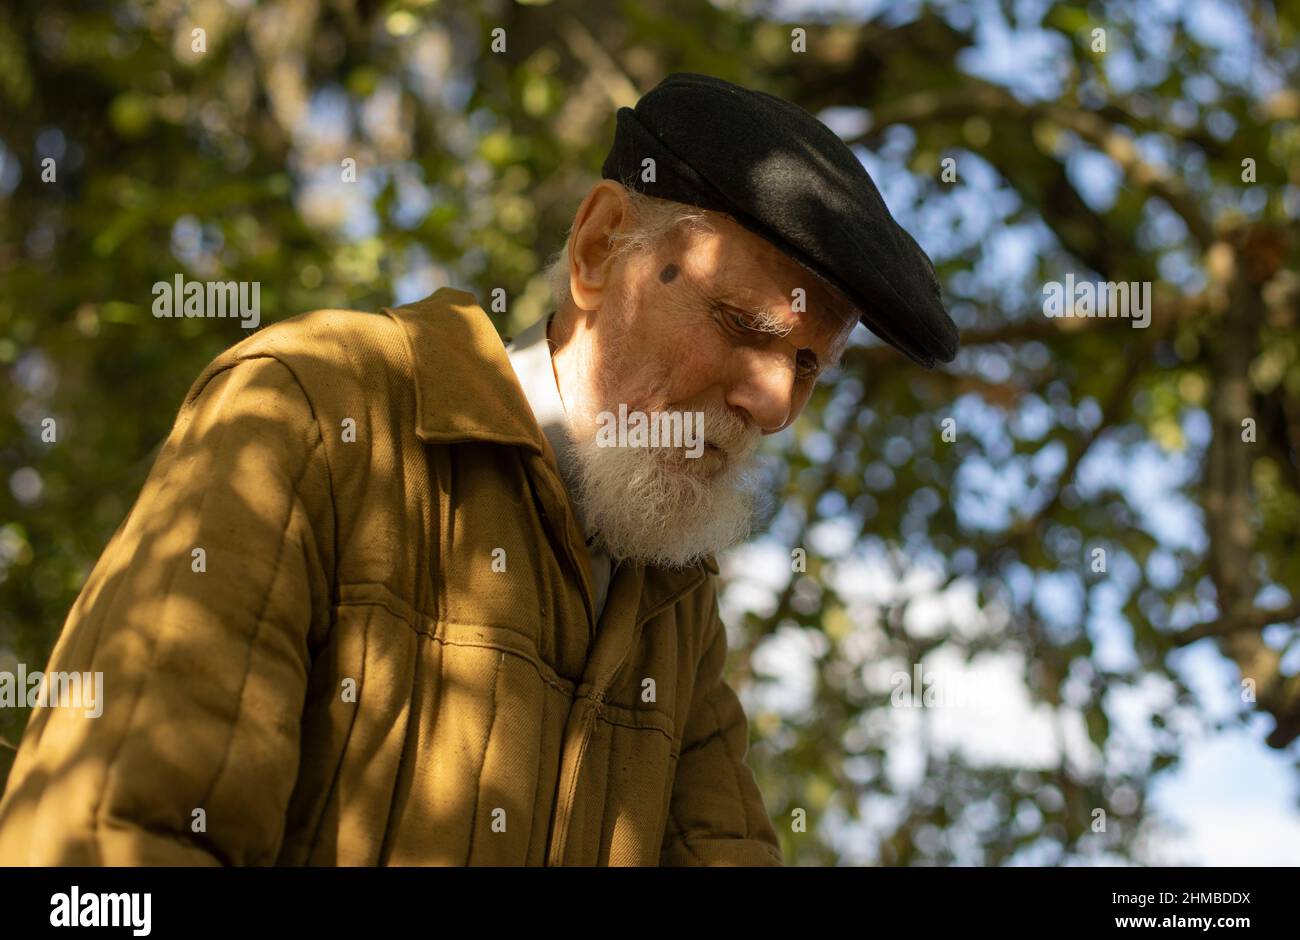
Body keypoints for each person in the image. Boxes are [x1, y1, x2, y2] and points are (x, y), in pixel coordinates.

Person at [0, 72, 957, 866]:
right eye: (746, 326)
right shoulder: (313, 407)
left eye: (807, 368)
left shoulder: (676, 601)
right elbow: (108, 846)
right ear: (596, 249)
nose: (777, 406)